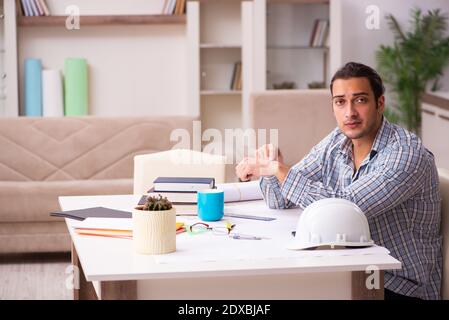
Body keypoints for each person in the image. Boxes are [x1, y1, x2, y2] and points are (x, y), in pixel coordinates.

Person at [235, 62, 442, 300]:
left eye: (360, 100)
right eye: (340, 101)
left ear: (380, 103)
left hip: (396, 285)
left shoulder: (406, 154)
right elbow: (279, 200)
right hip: (347, 269)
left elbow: (344, 211)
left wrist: (280, 171)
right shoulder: (337, 141)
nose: (349, 112)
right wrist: (271, 170)